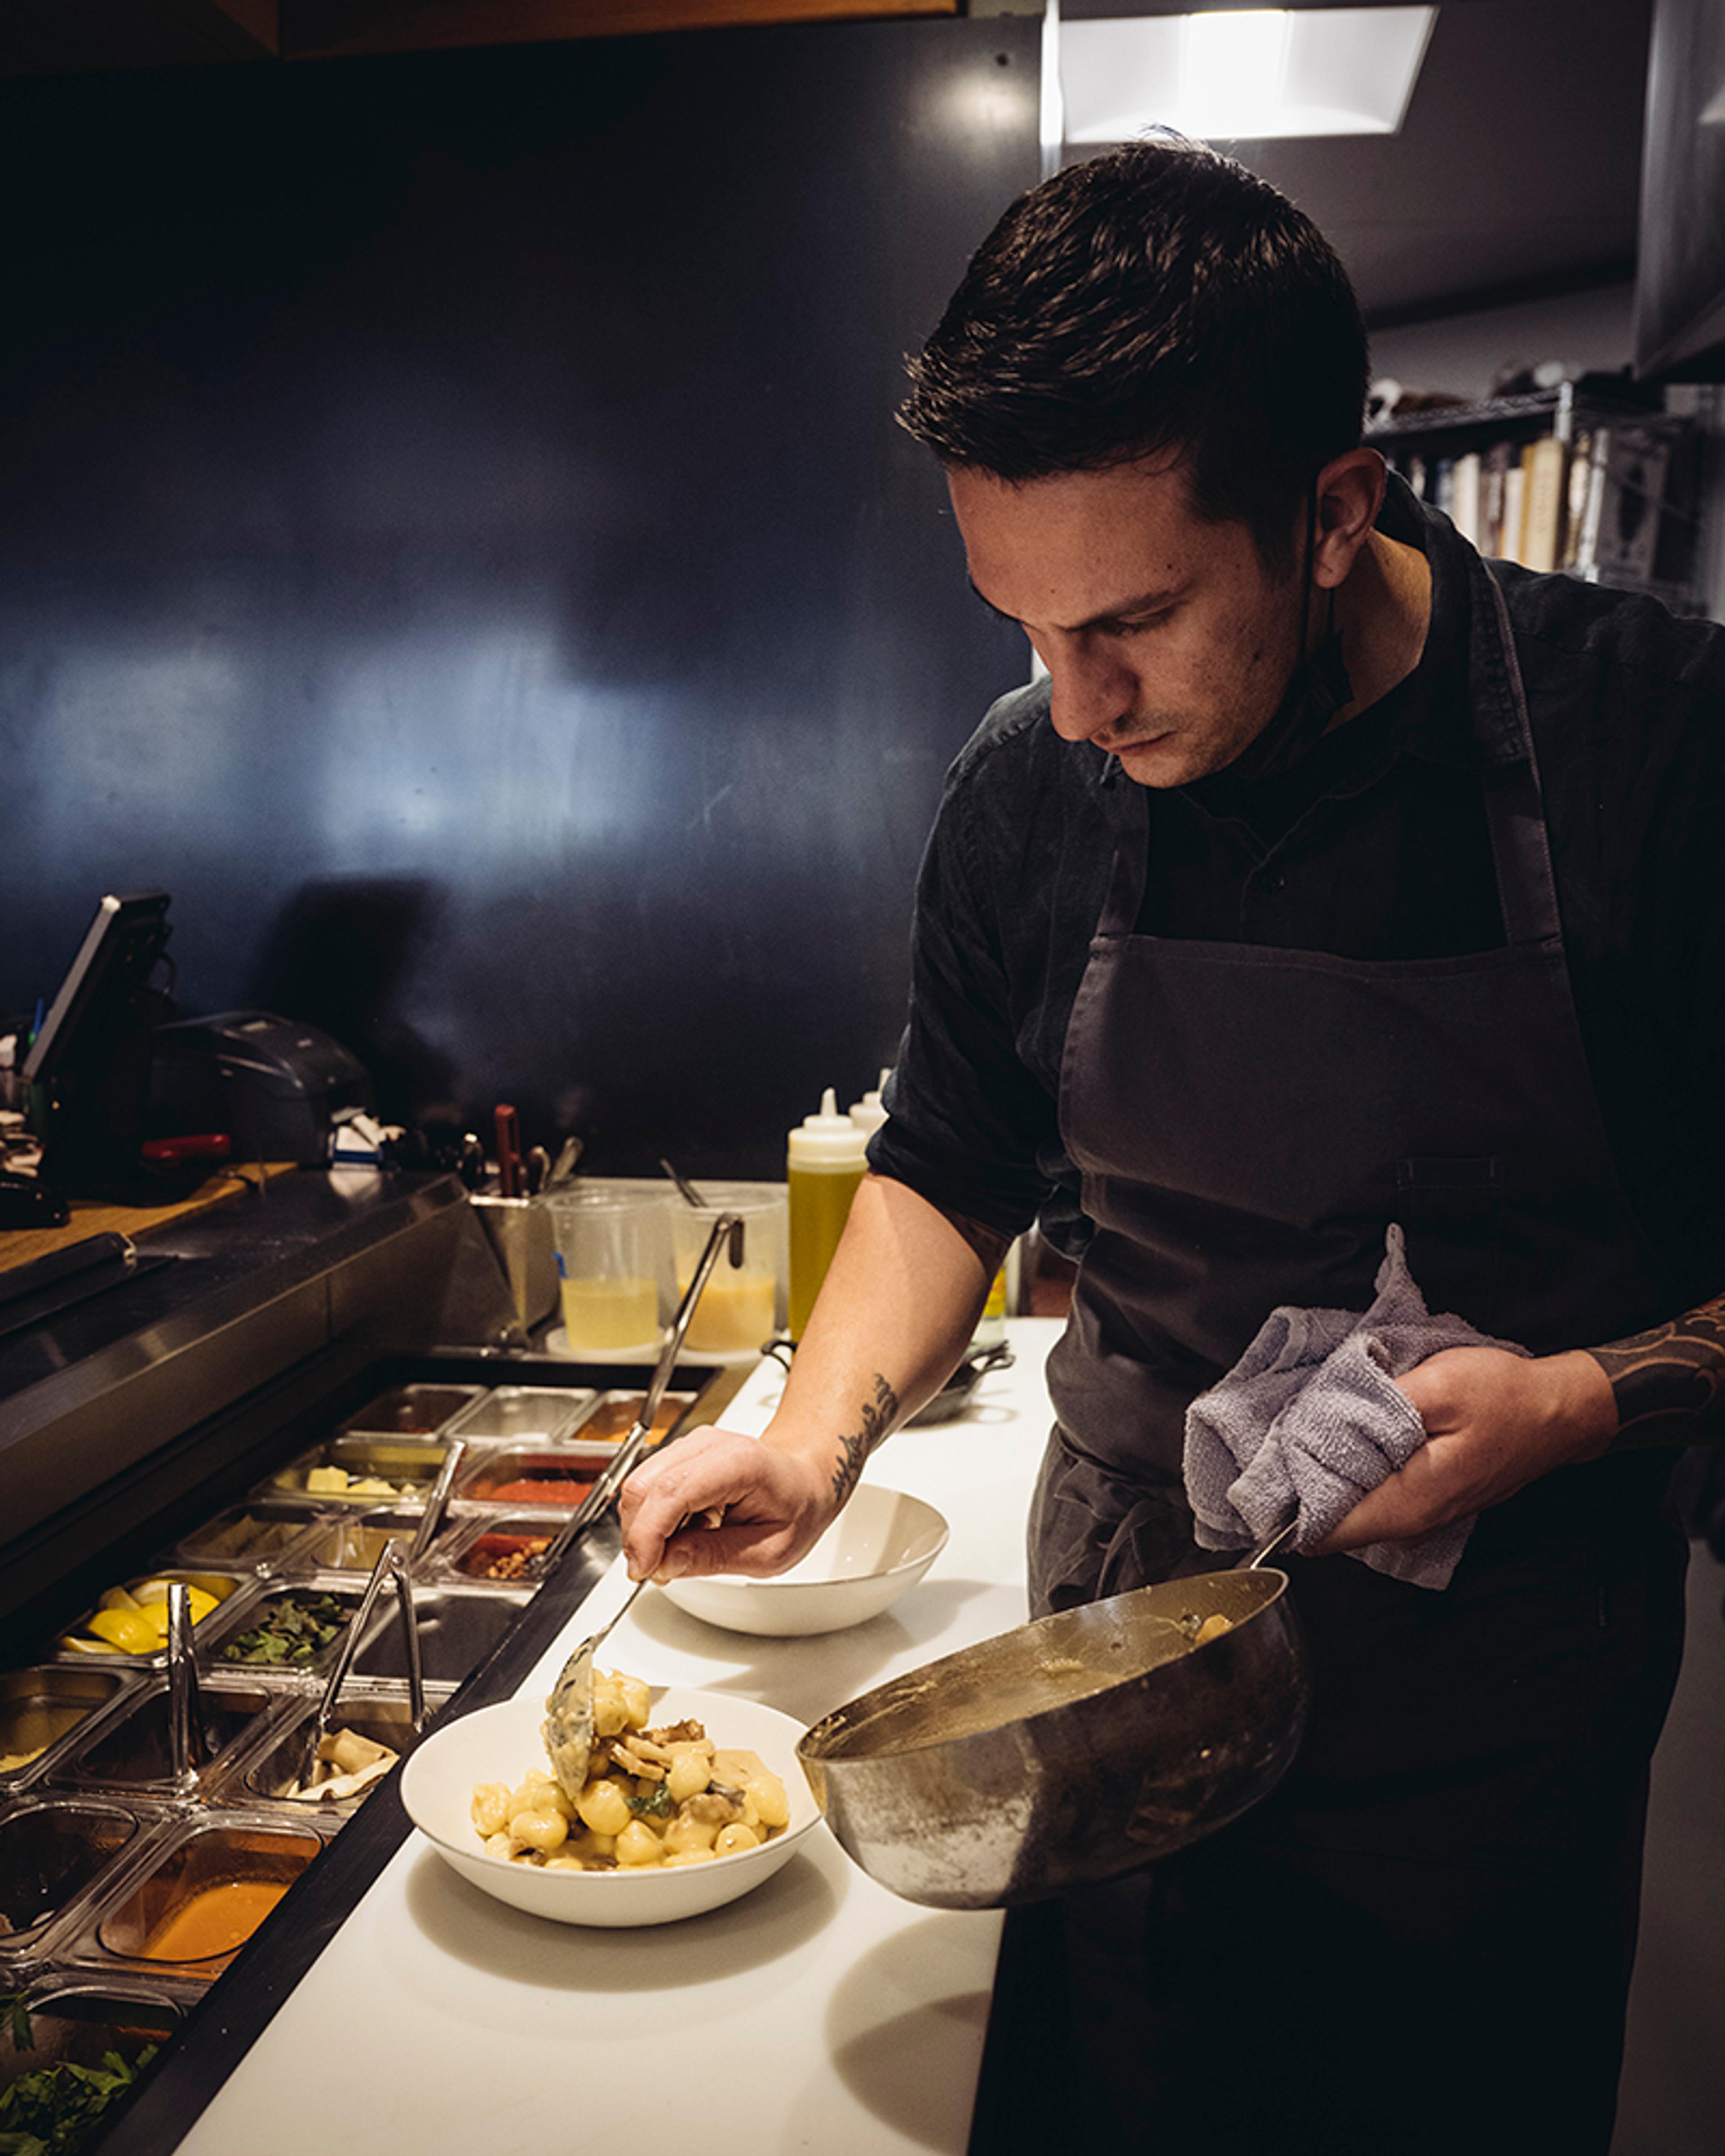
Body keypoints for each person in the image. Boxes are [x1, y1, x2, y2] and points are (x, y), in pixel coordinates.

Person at [621, 137, 1725, 2152]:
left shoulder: (1651, 747)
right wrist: (811, 1434)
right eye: (1022, 629)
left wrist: (1580, 1398)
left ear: (1331, 513)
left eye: (1126, 622)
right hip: (1106, 1665)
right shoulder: (1031, 788)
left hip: (1488, 1720)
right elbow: (952, 1157)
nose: (1068, 704)